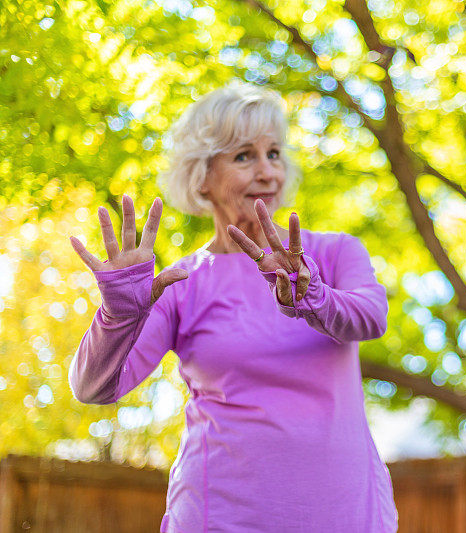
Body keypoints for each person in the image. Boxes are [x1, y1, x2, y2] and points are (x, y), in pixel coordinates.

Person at [67, 80, 399, 532]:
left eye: (275, 153)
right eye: (244, 156)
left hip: (342, 511)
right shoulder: (182, 283)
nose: (267, 172)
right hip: (218, 515)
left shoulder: (336, 253)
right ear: (201, 175)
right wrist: (120, 316)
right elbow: (94, 388)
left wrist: (310, 295)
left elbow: (370, 319)